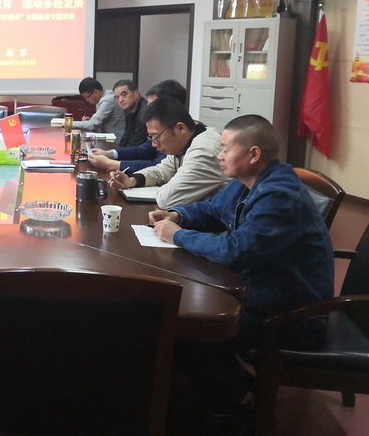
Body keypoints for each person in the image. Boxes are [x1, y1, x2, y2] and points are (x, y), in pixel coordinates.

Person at [149, 115, 334, 429]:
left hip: (293, 315)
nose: (219, 155)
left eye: (225, 148)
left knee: (189, 329)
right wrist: (177, 215)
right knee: (185, 319)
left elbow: (236, 250)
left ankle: (238, 409)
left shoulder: (279, 196)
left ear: (253, 154)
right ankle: (233, 386)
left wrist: (177, 235)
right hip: (259, 292)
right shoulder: (248, 180)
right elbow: (211, 208)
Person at [109, 97, 229, 209]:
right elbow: (162, 171)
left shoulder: (204, 151)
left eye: (156, 137)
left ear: (180, 128)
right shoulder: (184, 142)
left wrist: (167, 185)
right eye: (151, 137)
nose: (154, 144)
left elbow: (167, 200)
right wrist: (132, 180)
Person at [89, 79, 186, 172]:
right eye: (117, 97)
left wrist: (111, 164)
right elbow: (144, 149)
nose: (148, 109)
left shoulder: (175, 130)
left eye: (152, 106)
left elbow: (158, 166)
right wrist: (109, 153)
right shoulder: (130, 112)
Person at [112, 79, 148, 146]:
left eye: (124, 94)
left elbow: (136, 144)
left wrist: (115, 152)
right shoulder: (129, 111)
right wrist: (113, 151)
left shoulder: (144, 113)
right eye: (117, 97)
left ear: (136, 93)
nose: (120, 100)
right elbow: (126, 138)